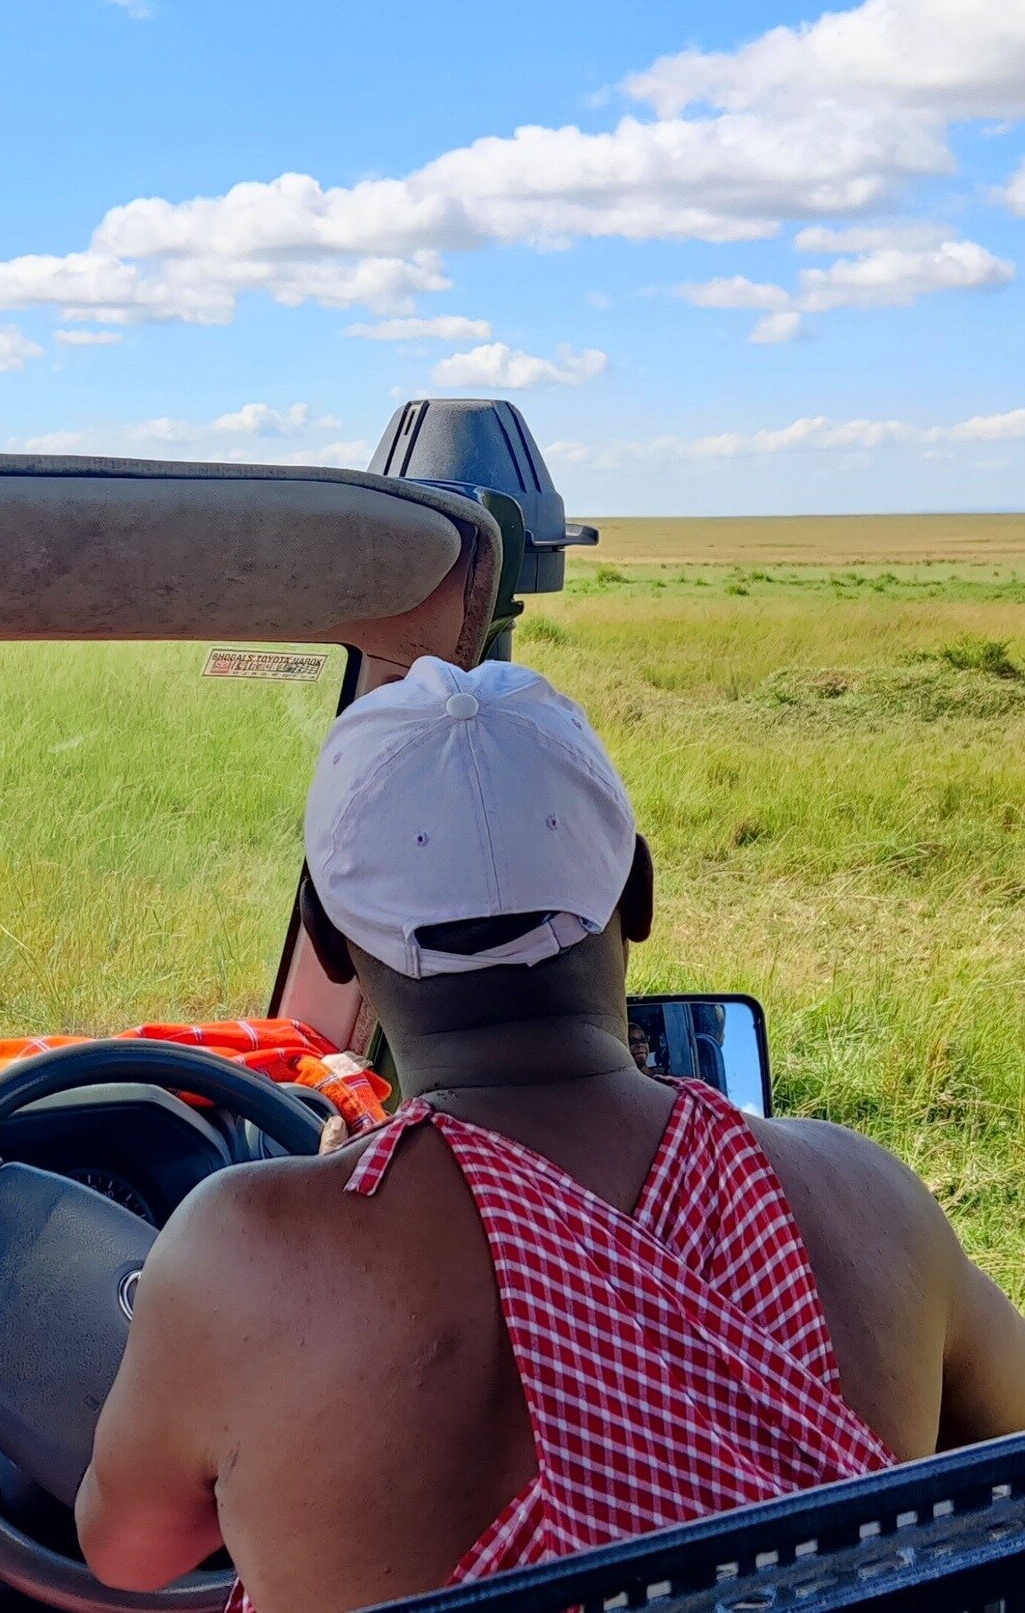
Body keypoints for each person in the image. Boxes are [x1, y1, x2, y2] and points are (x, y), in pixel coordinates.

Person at [75, 658, 1025, 1613]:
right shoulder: (870, 1199)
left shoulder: (246, 1246)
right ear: (639, 894)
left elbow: (129, 1557)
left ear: (321, 934)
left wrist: (329, 1204)